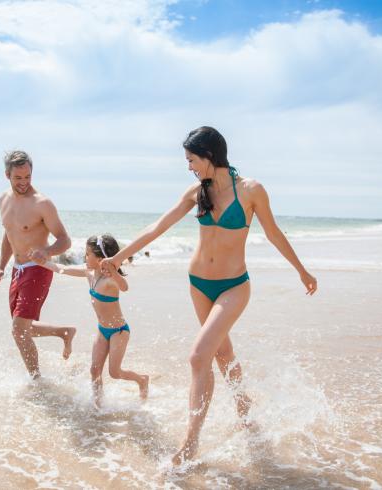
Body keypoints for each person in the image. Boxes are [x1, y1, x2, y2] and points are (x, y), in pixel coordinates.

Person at [100, 126, 317, 465]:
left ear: (209, 155)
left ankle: (190, 442)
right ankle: (244, 405)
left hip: (233, 287)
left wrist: (301, 270)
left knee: (199, 355)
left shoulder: (251, 190)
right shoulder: (195, 192)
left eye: (191, 160)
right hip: (198, 284)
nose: (189, 167)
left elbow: (273, 233)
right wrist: (117, 258)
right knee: (222, 352)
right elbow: (157, 227)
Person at [33, 234, 149, 407]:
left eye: (88, 254)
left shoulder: (110, 280)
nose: (84, 257)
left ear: (101, 258)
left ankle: (142, 380)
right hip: (102, 330)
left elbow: (124, 287)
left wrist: (114, 271)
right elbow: (61, 268)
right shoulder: (89, 273)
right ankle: (98, 406)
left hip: (119, 331)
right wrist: (43, 262)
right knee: (94, 370)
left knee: (115, 372)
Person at [0, 150, 76, 379]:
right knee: (23, 328)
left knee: (18, 330)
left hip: (39, 269)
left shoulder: (42, 203)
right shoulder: (3, 199)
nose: (24, 182)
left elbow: (64, 240)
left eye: (28, 176)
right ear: (7, 175)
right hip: (17, 271)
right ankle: (64, 331)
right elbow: (9, 234)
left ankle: (36, 380)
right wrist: (1, 266)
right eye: (18, 178)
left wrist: (46, 251)